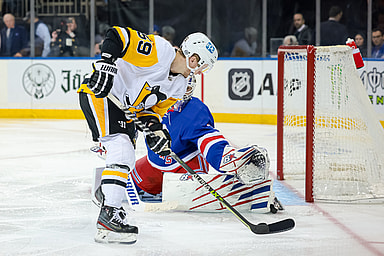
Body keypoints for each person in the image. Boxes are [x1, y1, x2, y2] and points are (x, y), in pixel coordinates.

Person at [77, 26, 218, 244]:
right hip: (102, 94)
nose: (200, 72)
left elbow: (150, 112)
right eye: (202, 66)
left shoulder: (179, 86)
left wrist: (156, 131)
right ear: (194, 58)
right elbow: (116, 35)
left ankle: (107, 194)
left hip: (123, 106)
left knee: (125, 159)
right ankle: (109, 214)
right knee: (122, 150)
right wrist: (106, 66)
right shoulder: (160, 51)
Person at [130, 76, 276, 210]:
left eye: (186, 88)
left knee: (182, 202)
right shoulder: (153, 101)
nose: (181, 93)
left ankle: (249, 191)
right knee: (122, 180)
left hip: (184, 165)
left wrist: (228, 158)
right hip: (154, 164)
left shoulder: (194, 110)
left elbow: (208, 139)